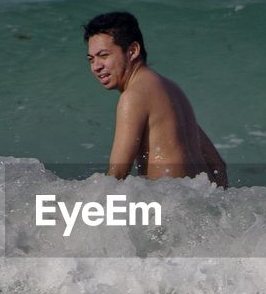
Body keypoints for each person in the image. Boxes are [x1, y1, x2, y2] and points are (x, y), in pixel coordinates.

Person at [84, 11, 228, 187]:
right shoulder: (172, 90)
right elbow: (218, 166)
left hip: (168, 208)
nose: (96, 66)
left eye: (104, 55)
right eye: (91, 59)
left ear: (132, 51)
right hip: (195, 205)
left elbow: (117, 174)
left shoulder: (133, 96)